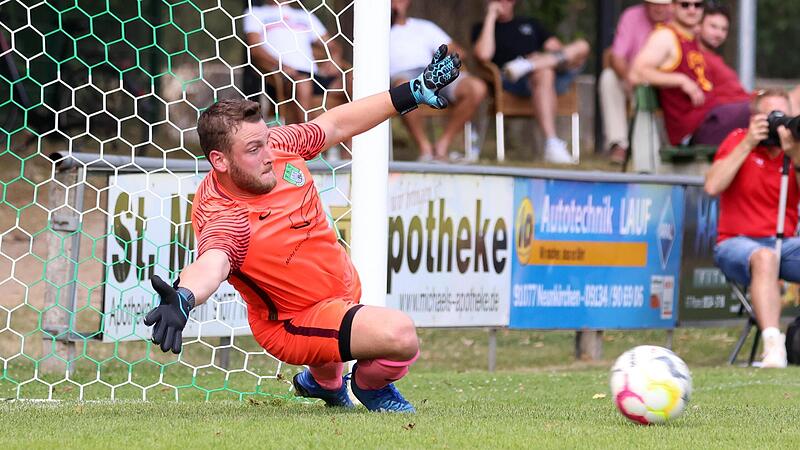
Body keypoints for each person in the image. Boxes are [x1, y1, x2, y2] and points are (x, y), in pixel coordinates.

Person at [143, 46, 462, 410]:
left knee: (331, 365)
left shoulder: (274, 146)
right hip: (293, 322)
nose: (268, 155)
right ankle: (370, 387)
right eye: (253, 149)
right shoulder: (224, 214)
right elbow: (212, 262)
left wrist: (411, 92)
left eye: (266, 141)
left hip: (339, 289)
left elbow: (335, 125)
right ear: (219, 160)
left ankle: (325, 384)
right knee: (400, 335)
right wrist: (184, 297)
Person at [704, 89, 800, 369]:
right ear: (755, 118)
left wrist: (794, 156)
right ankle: (773, 349)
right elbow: (712, 186)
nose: (778, 123)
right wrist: (747, 143)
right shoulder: (737, 141)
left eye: (784, 116)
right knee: (764, 257)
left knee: (771, 255)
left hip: (786, 243)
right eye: (771, 116)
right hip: (736, 243)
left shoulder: (794, 150)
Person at [472, 0, 590, 164]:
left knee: (582, 46)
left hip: (551, 77)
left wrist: (540, 60)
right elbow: (483, 55)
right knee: (544, 73)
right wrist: (491, 16)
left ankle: (528, 65)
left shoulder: (531, 24)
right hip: (512, 82)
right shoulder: (482, 28)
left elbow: (559, 50)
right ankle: (552, 142)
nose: (503, 2)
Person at [630, 0, 750, 147]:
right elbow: (636, 74)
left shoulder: (691, 38)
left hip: (711, 118)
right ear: (672, 6)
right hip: (694, 131)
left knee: (769, 112)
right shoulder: (665, 36)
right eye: (685, 4)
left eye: (698, 5)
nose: (692, 10)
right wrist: (681, 80)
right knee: (759, 112)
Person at [390, 0, 487, 162]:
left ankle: (442, 146)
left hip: (432, 72)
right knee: (404, 88)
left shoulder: (424, 27)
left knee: (476, 88)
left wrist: (448, 63)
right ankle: (425, 149)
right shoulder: (375, 32)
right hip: (400, 77)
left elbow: (457, 51)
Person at [243, 0, 349, 125]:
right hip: (284, 75)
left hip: (315, 76)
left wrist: (334, 58)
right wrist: (280, 66)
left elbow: (332, 45)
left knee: (354, 80)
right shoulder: (256, 13)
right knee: (302, 82)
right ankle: (309, 135)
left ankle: (358, 140)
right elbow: (255, 48)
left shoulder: (305, 15)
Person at [599, 0, 672, 164]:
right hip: (635, 81)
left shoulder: (679, 18)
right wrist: (631, 78)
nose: (658, 8)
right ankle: (619, 145)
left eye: (663, 4)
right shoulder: (631, 16)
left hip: (666, 85)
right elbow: (616, 56)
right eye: (654, 3)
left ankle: (672, 149)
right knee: (609, 78)